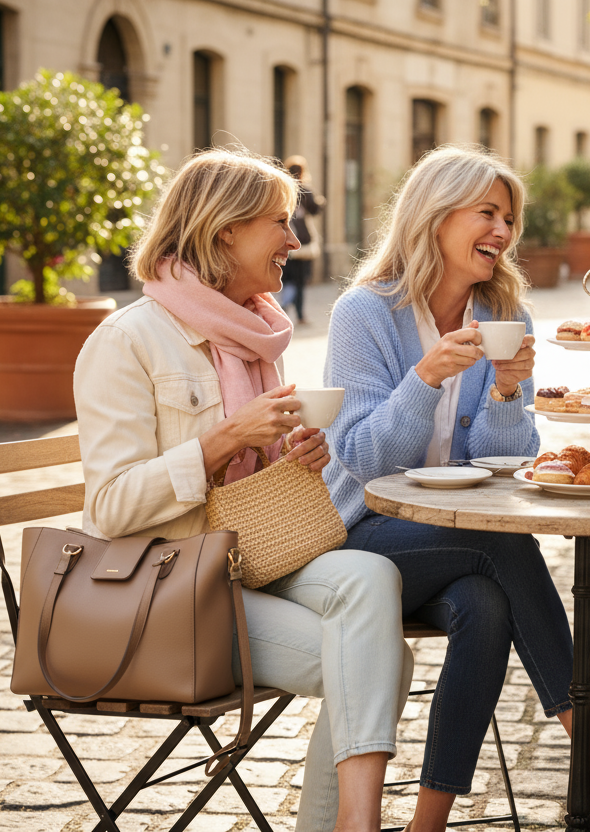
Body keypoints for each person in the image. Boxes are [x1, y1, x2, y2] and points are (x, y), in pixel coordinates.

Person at [323, 144, 590, 832]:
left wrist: (510, 389)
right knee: (504, 549)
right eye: (487, 212)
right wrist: (425, 377)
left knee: (487, 604)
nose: (503, 231)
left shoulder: (499, 310)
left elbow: (507, 459)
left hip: (454, 544)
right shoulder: (363, 314)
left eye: (509, 217)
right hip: (360, 536)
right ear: (435, 215)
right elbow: (365, 460)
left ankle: (426, 824)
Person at [73, 148, 413, 832]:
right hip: (167, 589)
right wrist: (224, 440)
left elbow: (246, 485)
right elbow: (109, 509)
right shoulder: (128, 340)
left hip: (247, 563)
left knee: (372, 576)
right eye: (279, 223)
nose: (296, 241)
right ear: (224, 229)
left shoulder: (256, 335)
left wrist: (293, 457)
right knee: (380, 661)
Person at [280, 154, 324, 324]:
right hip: (301, 241)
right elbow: (316, 210)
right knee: (299, 280)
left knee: (288, 278)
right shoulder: (304, 190)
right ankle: (296, 312)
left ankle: (286, 306)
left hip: (284, 239)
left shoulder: (282, 189)